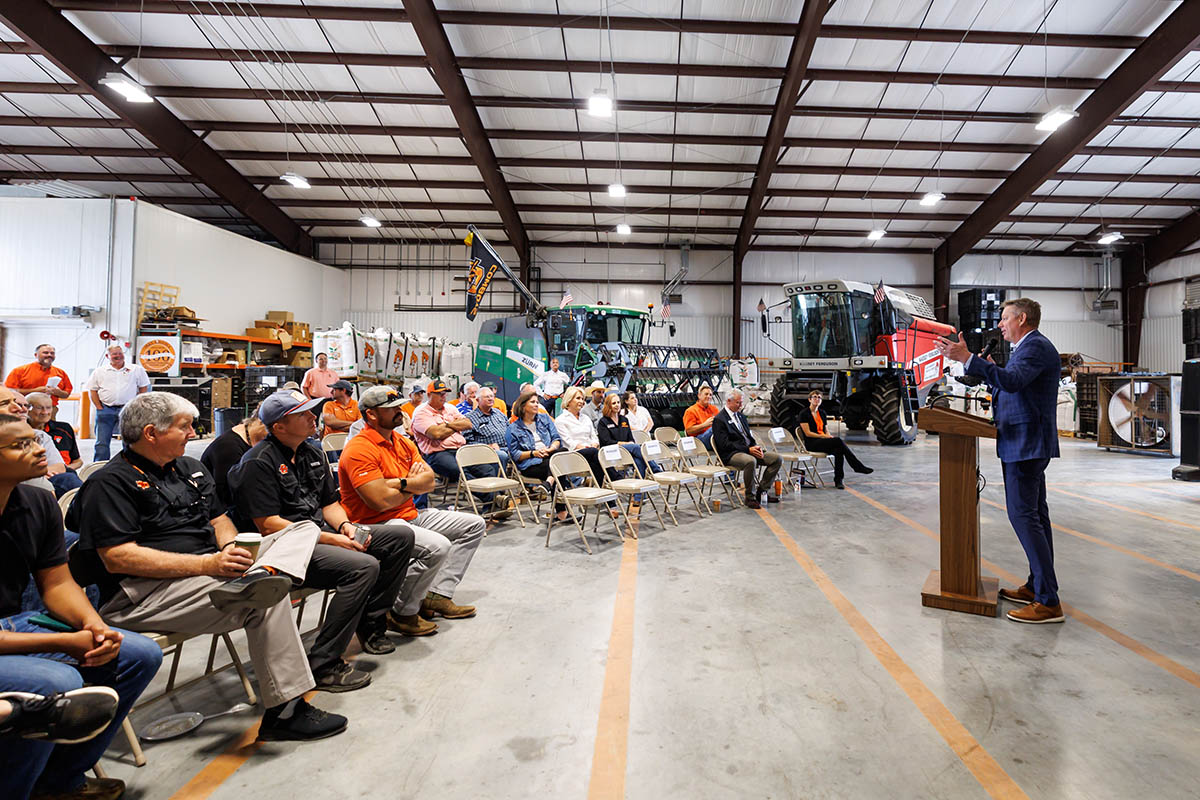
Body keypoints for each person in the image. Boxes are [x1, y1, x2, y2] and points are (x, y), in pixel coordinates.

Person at [68, 392, 347, 742]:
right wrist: (208, 563)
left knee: (304, 528)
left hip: (212, 571)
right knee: (267, 601)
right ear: (152, 433)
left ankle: (262, 573)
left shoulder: (190, 468)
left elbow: (219, 520)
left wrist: (231, 548)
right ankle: (286, 712)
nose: (193, 432)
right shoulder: (110, 483)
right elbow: (119, 557)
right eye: (184, 426)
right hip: (144, 592)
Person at [0, 412, 161, 800]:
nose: (39, 448)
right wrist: (70, 642)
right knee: (56, 685)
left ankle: (57, 783)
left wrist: (93, 625)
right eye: (20, 444)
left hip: (17, 622)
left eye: (35, 438)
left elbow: (56, 583)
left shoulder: (37, 502)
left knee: (139, 654)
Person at [228, 389, 416, 691]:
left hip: (320, 535)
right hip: (284, 547)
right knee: (363, 566)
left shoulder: (312, 451)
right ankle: (325, 663)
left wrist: (345, 527)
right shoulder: (257, 463)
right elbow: (268, 524)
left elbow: (329, 503)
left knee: (399, 536)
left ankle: (371, 623)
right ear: (279, 427)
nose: (312, 417)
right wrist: (329, 539)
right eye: (302, 415)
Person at [937, 297, 1064, 625]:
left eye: (1005, 319)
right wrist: (984, 368)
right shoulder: (1026, 349)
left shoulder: (1034, 347)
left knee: (1024, 516)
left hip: (1027, 443)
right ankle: (1039, 586)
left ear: (1022, 318)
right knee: (1035, 516)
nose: (1000, 325)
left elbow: (1012, 382)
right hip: (1023, 442)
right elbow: (1011, 387)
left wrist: (969, 359)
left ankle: (1048, 601)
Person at [338, 385, 486, 637]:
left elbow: (430, 481)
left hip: (409, 514)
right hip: (376, 523)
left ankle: (436, 595)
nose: (400, 411)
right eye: (392, 408)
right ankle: (402, 612)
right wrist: (411, 484)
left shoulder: (401, 442)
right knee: (438, 546)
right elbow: (379, 502)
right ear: (372, 414)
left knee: (474, 525)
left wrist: (399, 483)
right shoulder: (359, 448)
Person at [409, 380, 500, 510]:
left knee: (487, 468)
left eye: (445, 393)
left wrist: (446, 425)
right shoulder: (421, 412)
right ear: (429, 395)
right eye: (439, 393)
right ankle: (493, 499)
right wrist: (455, 425)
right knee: (459, 470)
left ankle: (492, 505)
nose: (443, 396)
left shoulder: (450, 408)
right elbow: (435, 434)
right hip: (437, 453)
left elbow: (468, 423)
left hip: (460, 449)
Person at [0, 388, 78, 498]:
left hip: (45, 484)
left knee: (68, 478)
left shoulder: (41, 435)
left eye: (25, 406)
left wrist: (38, 473)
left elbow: (60, 466)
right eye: (8, 404)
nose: (21, 409)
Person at [712, 387, 782, 510]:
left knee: (776, 459)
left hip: (748, 449)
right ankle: (750, 497)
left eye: (741, 402)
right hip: (731, 454)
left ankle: (762, 491)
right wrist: (747, 450)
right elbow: (724, 445)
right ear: (728, 401)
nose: (741, 405)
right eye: (738, 402)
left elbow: (748, 436)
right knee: (750, 461)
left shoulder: (741, 416)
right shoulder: (719, 420)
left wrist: (755, 447)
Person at [505, 391, 568, 523]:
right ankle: (563, 512)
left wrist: (550, 449)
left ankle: (548, 483)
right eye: (532, 402)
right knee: (558, 466)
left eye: (537, 402)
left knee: (562, 452)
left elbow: (556, 439)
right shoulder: (513, 429)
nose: (536, 405)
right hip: (531, 463)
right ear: (523, 406)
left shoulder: (545, 419)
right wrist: (534, 453)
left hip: (550, 455)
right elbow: (515, 455)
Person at [85, 344, 150, 462]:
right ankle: (100, 464)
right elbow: (92, 390)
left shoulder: (136, 370)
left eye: (120, 353)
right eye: (114, 354)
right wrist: (99, 407)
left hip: (128, 410)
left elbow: (143, 388)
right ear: (107, 356)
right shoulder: (99, 371)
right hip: (105, 409)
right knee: (102, 442)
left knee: (129, 440)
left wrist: (138, 405)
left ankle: (130, 464)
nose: (118, 356)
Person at [797, 391, 872, 490]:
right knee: (838, 441)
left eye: (819, 397)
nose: (817, 399)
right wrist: (824, 437)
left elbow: (826, 430)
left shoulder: (822, 413)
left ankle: (839, 480)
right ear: (809, 399)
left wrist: (828, 436)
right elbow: (808, 433)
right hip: (812, 443)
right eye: (814, 397)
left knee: (839, 450)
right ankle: (857, 466)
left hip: (823, 441)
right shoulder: (804, 413)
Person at [200, 406, 267, 515]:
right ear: (261, 421)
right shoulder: (228, 448)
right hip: (223, 510)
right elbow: (225, 495)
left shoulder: (255, 437)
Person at [554, 386, 610, 491]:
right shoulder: (561, 420)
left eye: (583, 399)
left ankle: (604, 496)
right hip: (572, 455)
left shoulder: (586, 418)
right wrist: (586, 447)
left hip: (591, 454)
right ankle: (614, 481)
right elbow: (568, 442)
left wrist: (594, 444)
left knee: (598, 459)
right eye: (578, 398)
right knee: (597, 456)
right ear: (569, 400)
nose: (582, 401)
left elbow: (594, 436)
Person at [596, 392, 652, 477]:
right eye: (613, 403)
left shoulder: (624, 420)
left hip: (627, 451)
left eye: (618, 402)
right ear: (608, 405)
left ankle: (638, 487)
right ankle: (655, 469)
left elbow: (631, 438)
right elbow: (607, 442)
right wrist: (625, 444)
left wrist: (630, 443)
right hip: (611, 451)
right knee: (636, 447)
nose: (617, 405)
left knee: (638, 461)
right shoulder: (603, 422)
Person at [5, 344, 72, 411]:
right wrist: (35, 391)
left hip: (50, 410)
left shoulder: (61, 373)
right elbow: (9, 391)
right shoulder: (20, 371)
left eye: (52, 353)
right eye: (45, 353)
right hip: (25, 409)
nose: (49, 355)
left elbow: (66, 394)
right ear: (36, 355)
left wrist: (57, 392)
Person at [26, 392, 82, 472]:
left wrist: (62, 470)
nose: (45, 412)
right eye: (39, 408)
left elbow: (78, 461)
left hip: (65, 475)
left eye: (48, 408)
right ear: (27, 409)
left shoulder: (64, 429)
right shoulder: (19, 433)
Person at [464, 386, 512, 470]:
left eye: (491, 396)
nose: (490, 399)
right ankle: (500, 481)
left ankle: (528, 481)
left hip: (507, 447)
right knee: (501, 455)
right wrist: (488, 446)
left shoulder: (499, 413)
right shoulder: (469, 418)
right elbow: (468, 443)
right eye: (487, 397)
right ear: (478, 400)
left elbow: (510, 431)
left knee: (528, 451)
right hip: (487, 451)